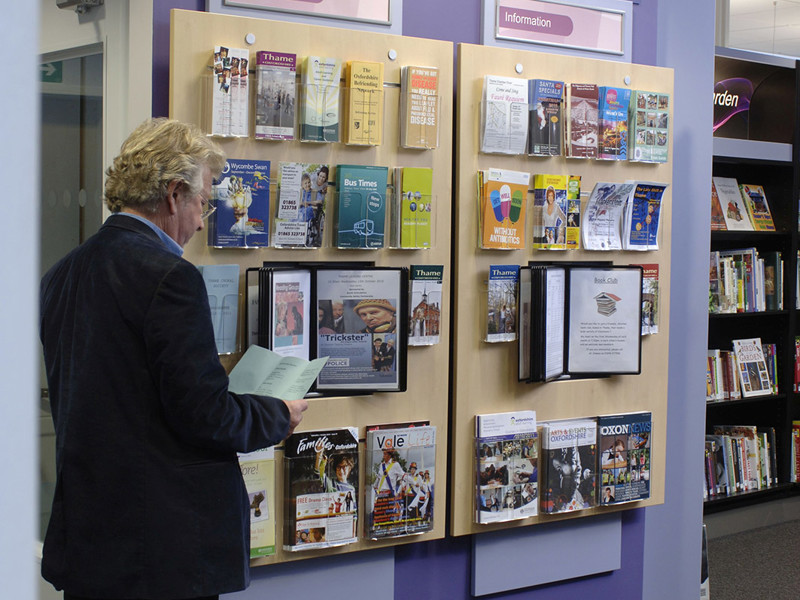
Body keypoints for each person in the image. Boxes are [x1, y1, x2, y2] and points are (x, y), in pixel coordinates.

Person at [39, 118, 308, 600]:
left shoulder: (62, 274)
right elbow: (205, 417)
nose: (203, 221)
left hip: (91, 543)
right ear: (173, 194)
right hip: (164, 551)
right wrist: (276, 414)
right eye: (203, 202)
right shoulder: (170, 278)